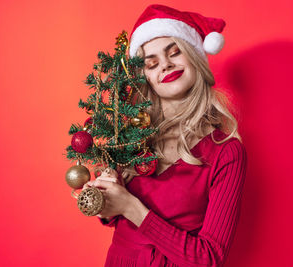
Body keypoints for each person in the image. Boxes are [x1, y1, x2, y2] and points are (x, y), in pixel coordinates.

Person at [83, 4, 248, 267]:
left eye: (175, 52)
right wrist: (101, 200)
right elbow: (115, 219)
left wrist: (133, 209)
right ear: (146, 77)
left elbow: (210, 259)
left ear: (195, 58)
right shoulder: (131, 135)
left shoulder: (225, 152)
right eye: (152, 63)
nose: (166, 65)